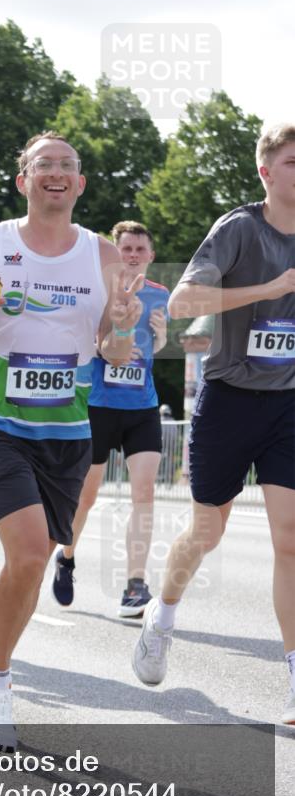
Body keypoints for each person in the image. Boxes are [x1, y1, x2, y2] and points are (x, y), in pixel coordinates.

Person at [0, 132, 143, 748]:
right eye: (43, 164)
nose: (56, 173)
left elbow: (112, 350)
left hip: (66, 431)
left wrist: (125, 328)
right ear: (23, 180)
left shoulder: (104, 256)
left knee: (33, 567)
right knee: (26, 555)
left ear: (79, 184)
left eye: (68, 166)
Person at [131, 122, 295, 727]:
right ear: (267, 171)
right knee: (207, 531)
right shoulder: (239, 228)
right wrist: (271, 286)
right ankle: (161, 616)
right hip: (228, 398)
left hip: (288, 404)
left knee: (290, 537)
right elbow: (180, 306)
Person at [51, 221, 169, 617]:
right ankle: (66, 556)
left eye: (140, 249)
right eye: (127, 249)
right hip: (99, 404)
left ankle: (136, 586)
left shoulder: (160, 296)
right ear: (116, 255)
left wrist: (163, 337)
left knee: (145, 492)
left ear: (151, 256)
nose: (133, 255)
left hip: (141, 405)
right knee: (86, 495)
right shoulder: (98, 294)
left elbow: (157, 347)